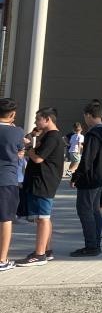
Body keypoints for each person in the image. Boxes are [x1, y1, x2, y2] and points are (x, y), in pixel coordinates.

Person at [14, 107, 64, 266]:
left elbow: (38, 158)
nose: (36, 122)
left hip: (45, 181)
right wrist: (33, 136)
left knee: (43, 218)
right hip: (41, 180)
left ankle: (40, 254)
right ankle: (46, 250)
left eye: (38, 119)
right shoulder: (47, 135)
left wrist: (28, 147)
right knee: (44, 217)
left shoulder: (53, 136)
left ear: (48, 119)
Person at [71, 100, 102, 257]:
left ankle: (91, 245)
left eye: (85, 116)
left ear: (89, 115)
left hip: (90, 178)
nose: (85, 120)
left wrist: (76, 176)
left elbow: (87, 159)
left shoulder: (93, 134)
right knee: (95, 209)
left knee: (84, 210)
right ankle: (96, 243)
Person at [0, 98, 25, 272]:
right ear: (13, 114)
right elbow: (20, 153)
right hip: (6, 179)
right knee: (6, 219)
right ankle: (2, 259)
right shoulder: (17, 132)